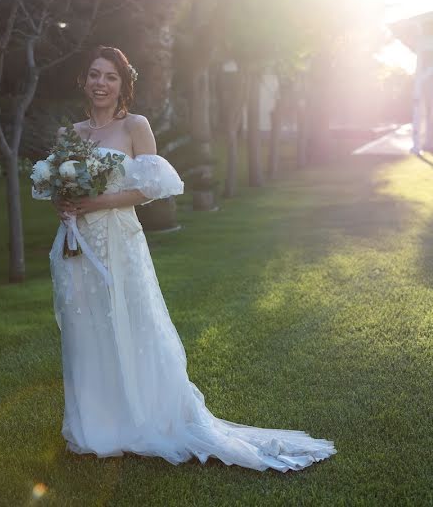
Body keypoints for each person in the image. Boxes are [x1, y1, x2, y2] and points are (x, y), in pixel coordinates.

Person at [43, 45, 335, 472]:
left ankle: (141, 417)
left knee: (130, 319)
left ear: (123, 84)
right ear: (83, 81)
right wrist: (65, 204)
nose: (100, 83)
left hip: (118, 240)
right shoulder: (70, 134)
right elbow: (60, 188)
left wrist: (95, 202)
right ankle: (96, 423)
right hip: (75, 243)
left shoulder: (135, 126)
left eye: (110, 76)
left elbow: (152, 187)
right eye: (94, 75)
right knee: (84, 325)